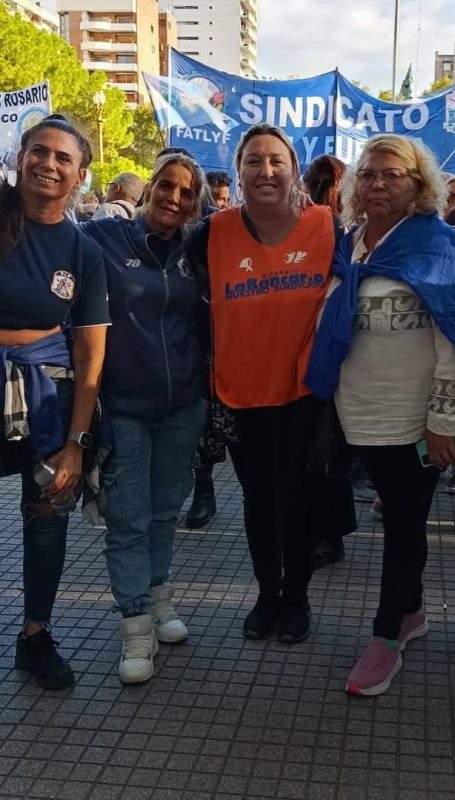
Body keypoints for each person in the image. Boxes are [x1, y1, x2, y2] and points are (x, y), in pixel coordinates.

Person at [307, 134, 455, 696]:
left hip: (413, 419)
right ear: (354, 187)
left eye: (393, 174)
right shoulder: (349, 245)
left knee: (405, 525)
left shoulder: (439, 247)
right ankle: (409, 612)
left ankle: (386, 637)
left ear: (419, 186)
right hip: (356, 411)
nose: (379, 183)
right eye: (369, 174)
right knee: (394, 516)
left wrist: (445, 420)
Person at [185, 124, 338, 644]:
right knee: (257, 499)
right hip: (240, 392)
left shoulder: (329, 227)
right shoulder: (212, 234)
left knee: (296, 497)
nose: (265, 170)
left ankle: (296, 597)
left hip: (305, 395)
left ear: (294, 169)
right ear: (239, 171)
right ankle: (266, 593)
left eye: (276, 160)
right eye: (254, 161)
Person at [82, 152, 208, 684]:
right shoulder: (104, 238)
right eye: (166, 186)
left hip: (183, 407)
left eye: (186, 192)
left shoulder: (197, 250)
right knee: (127, 518)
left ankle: (160, 601)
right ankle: (135, 627)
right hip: (124, 408)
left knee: (163, 512)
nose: (173, 199)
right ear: (149, 186)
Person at [0, 115, 109, 689]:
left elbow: (92, 353)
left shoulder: (83, 249)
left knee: (47, 515)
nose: (48, 163)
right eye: (38, 151)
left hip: (48, 392)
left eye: (63, 158)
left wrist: (76, 442)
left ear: (81, 175)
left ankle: (35, 636)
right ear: (20, 158)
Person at [301, 153, 359, 570]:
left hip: (329, 351)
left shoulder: (336, 227)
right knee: (321, 451)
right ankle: (326, 531)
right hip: (314, 350)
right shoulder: (320, 222)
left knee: (325, 452)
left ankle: (329, 534)